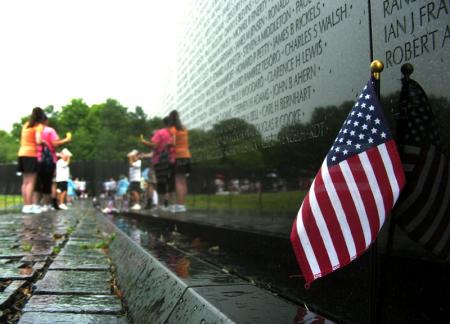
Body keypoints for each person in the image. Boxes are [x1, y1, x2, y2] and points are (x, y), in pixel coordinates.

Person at [34, 115, 72, 211]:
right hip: (48, 159)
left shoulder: (34, 129)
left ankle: (35, 205)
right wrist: (66, 140)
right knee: (49, 183)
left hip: (35, 157)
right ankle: (48, 204)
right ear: (46, 121)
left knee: (37, 183)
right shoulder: (50, 131)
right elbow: (55, 144)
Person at [141, 117, 175, 211]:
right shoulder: (171, 134)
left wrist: (144, 143)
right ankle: (167, 204)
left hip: (157, 164)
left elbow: (154, 150)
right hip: (168, 161)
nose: (153, 138)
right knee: (165, 183)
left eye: (153, 136)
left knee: (152, 184)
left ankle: (153, 204)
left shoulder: (159, 136)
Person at [17, 107, 46, 214]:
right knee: (31, 182)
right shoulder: (38, 126)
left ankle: (26, 205)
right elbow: (38, 140)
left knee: (25, 182)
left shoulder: (26, 125)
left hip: (21, 153)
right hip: (30, 154)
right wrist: (44, 142)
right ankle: (29, 206)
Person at [168, 110, 191, 213]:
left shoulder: (173, 129)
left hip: (178, 156)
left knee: (178, 182)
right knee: (183, 182)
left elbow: (172, 143)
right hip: (186, 155)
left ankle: (179, 206)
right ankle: (182, 205)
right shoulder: (184, 128)